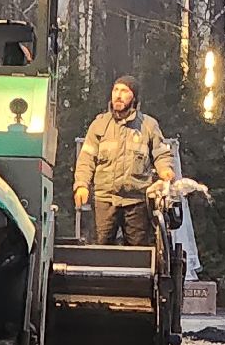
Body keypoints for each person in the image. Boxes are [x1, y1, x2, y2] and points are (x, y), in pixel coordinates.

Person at [74, 75, 177, 246]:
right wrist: (81, 185)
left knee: (139, 255)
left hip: (137, 202)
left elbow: (161, 154)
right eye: (115, 90)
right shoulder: (99, 125)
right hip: (104, 200)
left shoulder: (148, 126)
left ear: (134, 98)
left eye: (124, 91)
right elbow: (86, 158)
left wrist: (165, 170)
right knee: (100, 250)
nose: (118, 95)